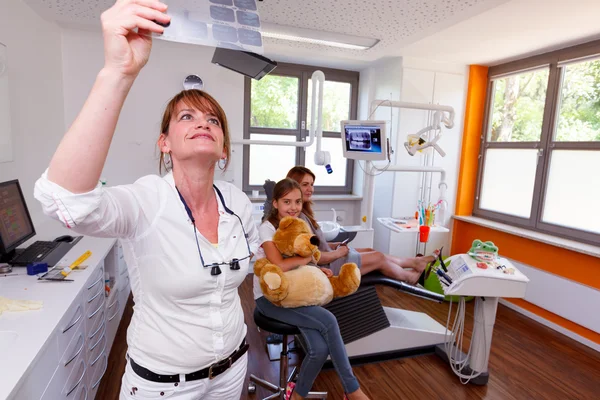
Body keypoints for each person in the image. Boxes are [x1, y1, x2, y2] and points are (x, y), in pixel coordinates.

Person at [33, 1, 259, 399]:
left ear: (224, 148)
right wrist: (118, 72)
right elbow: (66, 201)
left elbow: (248, 261)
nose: (203, 123)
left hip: (231, 369)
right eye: (186, 117)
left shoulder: (237, 204)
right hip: (165, 386)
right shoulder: (146, 201)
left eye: (213, 120)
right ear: (164, 143)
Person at [253, 178, 371, 400]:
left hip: (297, 295)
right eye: (286, 201)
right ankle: (352, 390)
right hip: (271, 299)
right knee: (328, 320)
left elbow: (306, 259)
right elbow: (279, 264)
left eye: (297, 202)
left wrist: (316, 269)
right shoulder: (267, 228)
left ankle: (297, 395)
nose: (293, 207)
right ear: (275, 203)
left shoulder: (301, 224)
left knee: (319, 348)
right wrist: (307, 258)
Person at [287, 166, 439, 285]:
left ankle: (414, 262)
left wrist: (333, 245)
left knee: (370, 250)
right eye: (305, 184)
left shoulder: (304, 212)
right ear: (294, 186)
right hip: (325, 267)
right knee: (378, 257)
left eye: (312, 184)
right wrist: (338, 253)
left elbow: (315, 245)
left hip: (328, 256)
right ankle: (409, 276)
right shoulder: (297, 218)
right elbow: (314, 257)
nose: (310, 189)